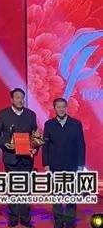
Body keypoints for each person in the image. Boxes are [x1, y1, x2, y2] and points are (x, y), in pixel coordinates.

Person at [0, 88, 38, 228]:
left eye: (22, 97)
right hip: (11, 157)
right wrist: (4, 144)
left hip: (26, 158)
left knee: (26, 188)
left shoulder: (31, 115)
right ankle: (13, 218)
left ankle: (25, 218)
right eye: (17, 97)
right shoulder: (3, 114)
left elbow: (35, 135)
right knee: (13, 187)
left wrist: (35, 147)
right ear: (11, 99)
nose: (20, 100)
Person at [42, 98, 85, 228]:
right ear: (54, 108)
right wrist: (46, 164)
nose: (61, 109)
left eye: (63, 107)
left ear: (66, 108)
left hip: (72, 165)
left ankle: (70, 222)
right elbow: (45, 146)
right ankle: (59, 222)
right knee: (57, 197)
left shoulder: (76, 124)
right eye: (58, 107)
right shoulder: (49, 124)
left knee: (71, 196)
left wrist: (81, 164)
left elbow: (81, 145)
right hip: (55, 165)